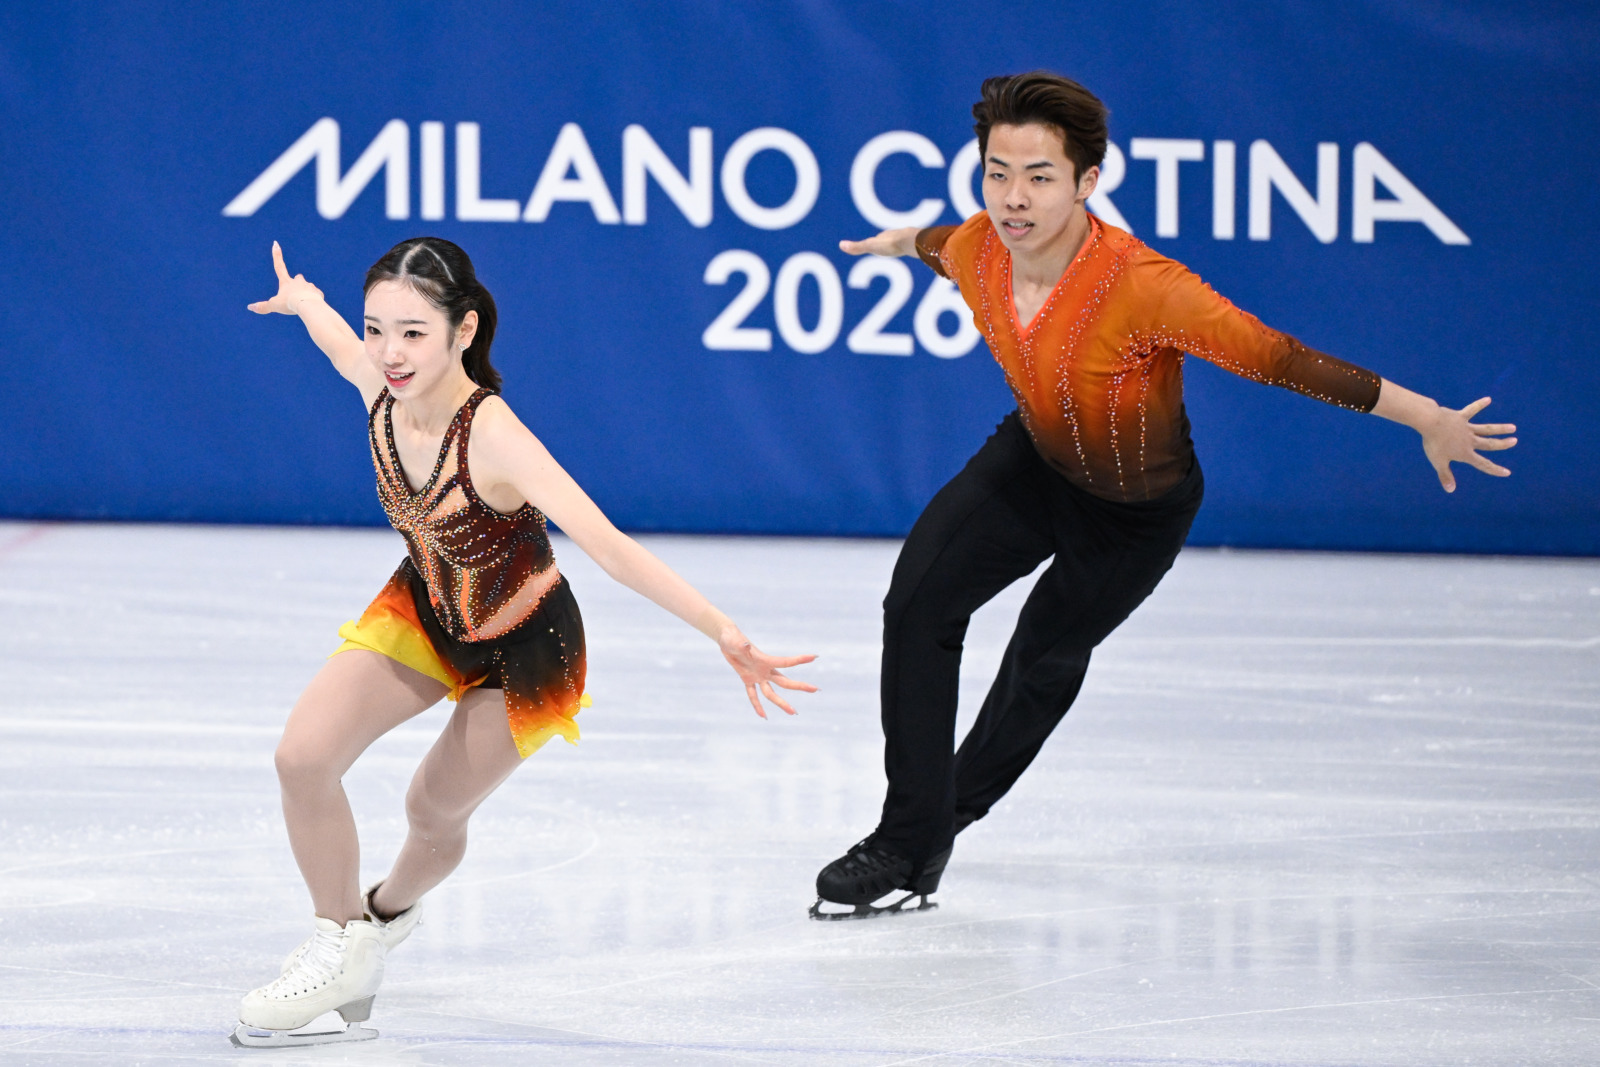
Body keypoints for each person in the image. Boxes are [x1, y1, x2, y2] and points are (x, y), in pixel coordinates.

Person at [811, 71, 1516, 920]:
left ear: (1087, 182)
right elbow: (937, 244)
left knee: (1040, 656)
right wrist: (896, 242)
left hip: (1132, 514)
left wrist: (1427, 417)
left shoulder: (1144, 286)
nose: (1014, 197)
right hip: (1034, 462)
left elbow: (1279, 357)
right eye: (997, 172)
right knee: (918, 601)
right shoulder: (976, 247)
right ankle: (906, 840)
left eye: (1039, 176)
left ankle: (942, 819)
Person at [233, 237, 816, 1046]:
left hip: (528, 650)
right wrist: (306, 303)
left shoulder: (494, 435)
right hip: (429, 610)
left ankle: (385, 911)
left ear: (463, 329)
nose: (390, 353)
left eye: (412, 332)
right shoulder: (379, 389)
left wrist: (723, 628)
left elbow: (609, 546)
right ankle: (339, 945)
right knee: (302, 758)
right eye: (377, 329)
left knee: (430, 807)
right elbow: (338, 346)